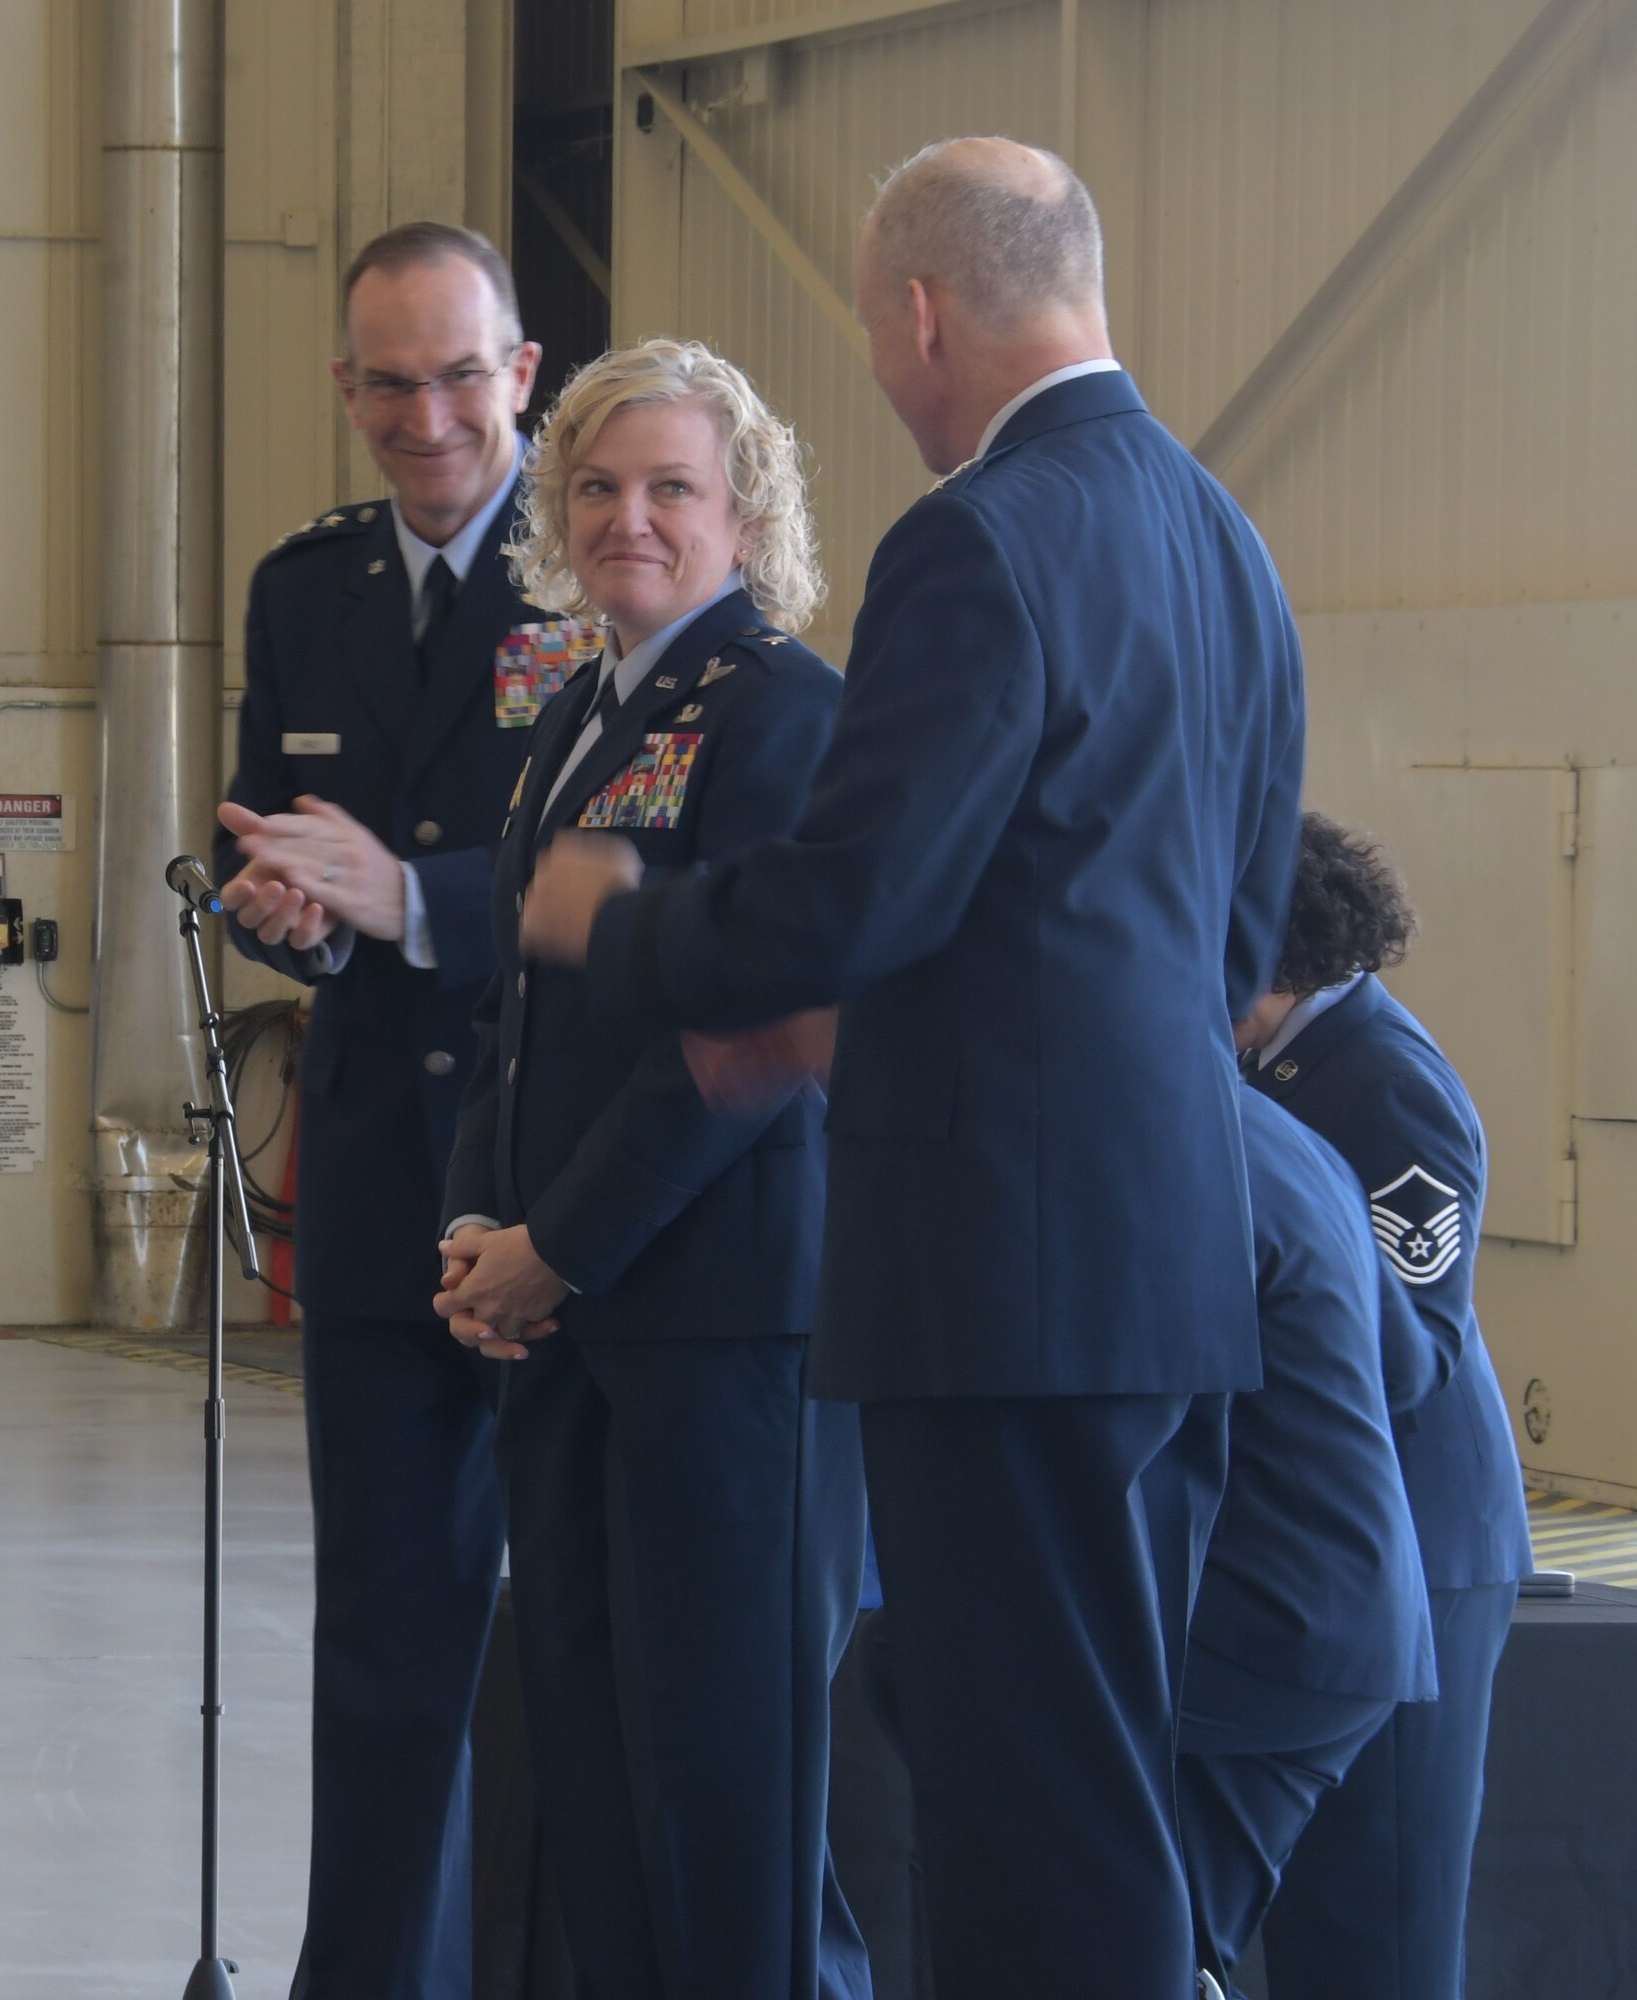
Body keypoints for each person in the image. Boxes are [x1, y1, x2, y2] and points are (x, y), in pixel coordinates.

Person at [518, 139, 1306, 1999]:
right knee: (1100, 1798)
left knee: (1015, 1812)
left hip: (998, 1281)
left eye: (876, 333)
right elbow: (1236, 934)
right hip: (1171, 1269)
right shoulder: (1221, 538)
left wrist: (618, 925)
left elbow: (860, 895)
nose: (885, 375)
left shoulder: (976, 536)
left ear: (922, 309)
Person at [433, 338, 871, 2000]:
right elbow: (518, 1022)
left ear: (743, 514)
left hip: (717, 1337)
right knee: (599, 1795)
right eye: (598, 487)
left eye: (671, 487)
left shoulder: (780, 718)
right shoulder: (565, 721)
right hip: (567, 1331)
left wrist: (564, 1242)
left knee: (728, 1807)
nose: (629, 517)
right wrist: (481, 1220)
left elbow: (747, 1047)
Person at [212, 222, 557, 2000]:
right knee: (385, 1648)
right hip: (364, 1191)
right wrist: (271, 902)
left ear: (520, 371)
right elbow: (262, 825)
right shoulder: (304, 589)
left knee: (581, 1647)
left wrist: (410, 906)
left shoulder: (605, 579)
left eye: (455, 375)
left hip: (560, 1188)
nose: (424, 419)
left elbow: (644, 873)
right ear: (345, 390)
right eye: (386, 384)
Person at [1234, 811, 1533, 2000]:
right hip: (1328, 1536)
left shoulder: (1382, 1078)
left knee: (1379, 1926)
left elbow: (1411, 1351)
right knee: (1316, 1915)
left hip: (1419, 1540)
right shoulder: (1276, 1063)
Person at [1176, 1086, 1438, 1992]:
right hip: (1346, 1612)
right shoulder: (1290, 1140)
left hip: (1262, 1620)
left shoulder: (1153, 1145)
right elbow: (1402, 1364)